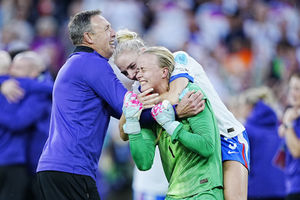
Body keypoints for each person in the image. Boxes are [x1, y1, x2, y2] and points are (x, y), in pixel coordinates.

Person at [36, 10, 203, 200]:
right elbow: (130, 107)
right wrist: (175, 111)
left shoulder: (75, 64)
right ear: (89, 37)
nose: (114, 33)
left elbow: (131, 118)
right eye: (107, 28)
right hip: (71, 170)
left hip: (58, 169)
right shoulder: (91, 63)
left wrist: (154, 110)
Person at [114, 29, 250, 200]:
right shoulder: (141, 86)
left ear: (143, 54)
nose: (132, 75)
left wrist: (142, 107)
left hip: (227, 135)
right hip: (198, 148)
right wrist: (134, 112)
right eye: (125, 73)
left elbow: (175, 95)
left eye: (133, 67)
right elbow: (122, 131)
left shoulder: (176, 60)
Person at [123, 46, 223, 199]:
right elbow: (144, 163)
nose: (138, 76)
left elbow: (207, 146)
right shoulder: (150, 111)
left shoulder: (190, 94)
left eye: (143, 70)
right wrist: (132, 122)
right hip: (174, 194)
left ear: (164, 72)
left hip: (204, 190)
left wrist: (172, 126)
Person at [0, 51, 51, 200]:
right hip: (19, 161)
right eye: (12, 67)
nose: (12, 71)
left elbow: (18, 122)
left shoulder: (37, 92)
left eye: (18, 68)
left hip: (37, 163)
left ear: (34, 72)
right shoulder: (16, 87)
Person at [239, 87, 285, 200]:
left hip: (256, 191)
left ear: (249, 107)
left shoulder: (247, 130)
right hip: (282, 189)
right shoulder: (280, 127)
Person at [278, 71, 300, 200]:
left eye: (297, 89)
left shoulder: (290, 119)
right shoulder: (293, 115)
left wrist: (287, 125)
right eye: (291, 88)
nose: (292, 93)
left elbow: (297, 151)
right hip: (290, 184)